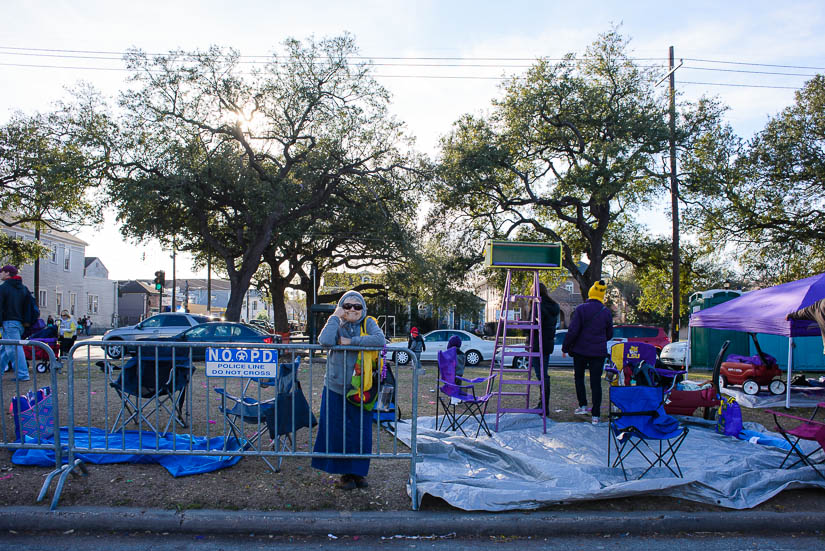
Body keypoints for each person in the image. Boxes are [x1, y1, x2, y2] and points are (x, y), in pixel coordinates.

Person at [312, 290, 385, 490]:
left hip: (362, 389)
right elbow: (325, 340)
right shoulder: (336, 323)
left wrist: (350, 342)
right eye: (347, 306)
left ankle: (358, 473)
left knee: (360, 431)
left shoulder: (368, 323)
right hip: (335, 386)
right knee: (337, 431)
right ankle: (345, 474)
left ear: (363, 309)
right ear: (341, 307)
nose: (352, 309)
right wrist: (335, 316)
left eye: (357, 306)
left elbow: (380, 341)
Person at [562, 280, 613, 425]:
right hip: (598, 352)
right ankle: (596, 415)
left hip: (580, 351)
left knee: (579, 378)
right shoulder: (606, 312)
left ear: (591, 292)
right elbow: (609, 333)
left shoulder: (581, 309)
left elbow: (573, 331)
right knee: (595, 382)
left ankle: (582, 405)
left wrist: (566, 347)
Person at [531, 282, 560, 415]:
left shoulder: (537, 305)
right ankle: (543, 404)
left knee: (541, 375)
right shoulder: (554, 306)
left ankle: (543, 405)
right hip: (548, 343)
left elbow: (532, 326)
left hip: (537, 343)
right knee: (543, 374)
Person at [0, 265, 32, 381]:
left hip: (8, 322)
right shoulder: (23, 288)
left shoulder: (3, 288)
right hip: (20, 323)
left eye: (2, 272)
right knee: (5, 349)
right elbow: (29, 306)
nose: (0, 274)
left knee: (14, 349)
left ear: (7, 273)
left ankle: (22, 374)